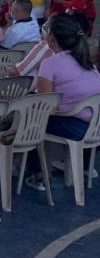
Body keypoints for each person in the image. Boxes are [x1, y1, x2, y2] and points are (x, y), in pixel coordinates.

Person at [24, 15, 100, 188]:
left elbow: (44, 105)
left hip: (76, 127)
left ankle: (39, 174)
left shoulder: (50, 64)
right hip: (96, 127)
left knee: (31, 122)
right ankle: (86, 167)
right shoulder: (88, 62)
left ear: (52, 38)